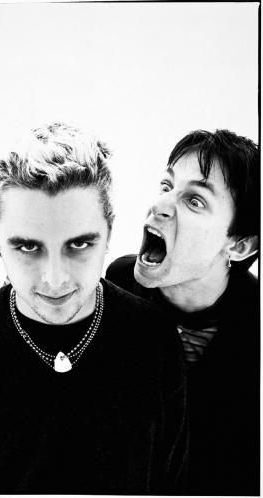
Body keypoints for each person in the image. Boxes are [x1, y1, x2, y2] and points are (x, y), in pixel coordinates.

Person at [0, 123, 188, 494]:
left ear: (109, 235)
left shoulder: (154, 340)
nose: (55, 279)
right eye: (28, 247)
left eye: (79, 245)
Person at [106, 129, 259, 495]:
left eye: (194, 200)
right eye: (166, 185)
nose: (160, 205)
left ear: (239, 245)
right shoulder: (117, 284)